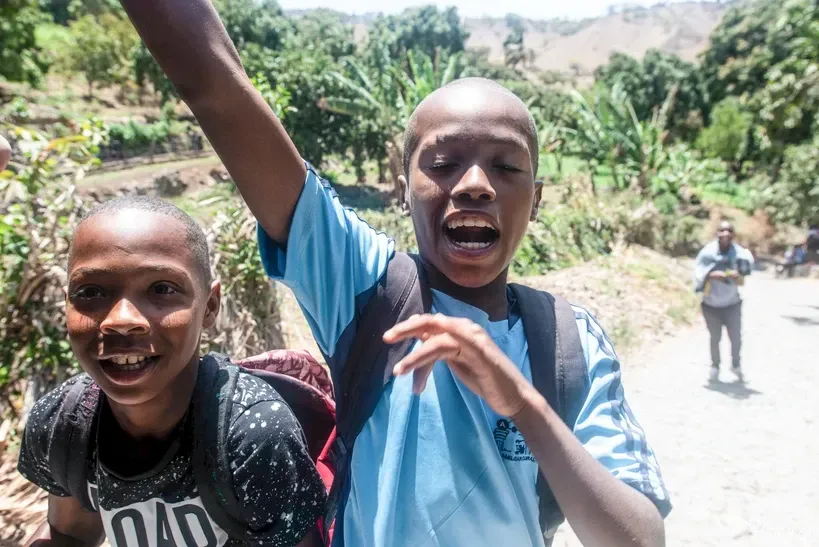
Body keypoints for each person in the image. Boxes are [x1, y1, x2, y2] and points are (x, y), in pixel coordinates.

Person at [120, 2, 671, 546]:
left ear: (537, 200)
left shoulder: (570, 344)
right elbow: (213, 85)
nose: (475, 184)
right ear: (403, 190)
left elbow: (640, 540)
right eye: (443, 163)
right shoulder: (363, 286)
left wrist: (523, 406)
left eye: (506, 166)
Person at [18, 197, 326, 546]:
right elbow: (71, 531)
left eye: (162, 289)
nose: (122, 320)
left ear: (209, 306)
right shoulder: (64, 425)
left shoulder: (253, 435)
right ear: (67, 304)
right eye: (90, 292)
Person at [694, 221, 754, 383]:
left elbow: (746, 271)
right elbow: (698, 274)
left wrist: (737, 274)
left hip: (732, 303)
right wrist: (711, 275)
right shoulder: (707, 253)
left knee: (736, 337)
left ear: (733, 234)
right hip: (711, 304)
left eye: (729, 231)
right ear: (717, 233)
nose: (725, 234)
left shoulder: (740, 253)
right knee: (715, 337)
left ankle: (736, 365)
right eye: (722, 230)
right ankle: (715, 366)